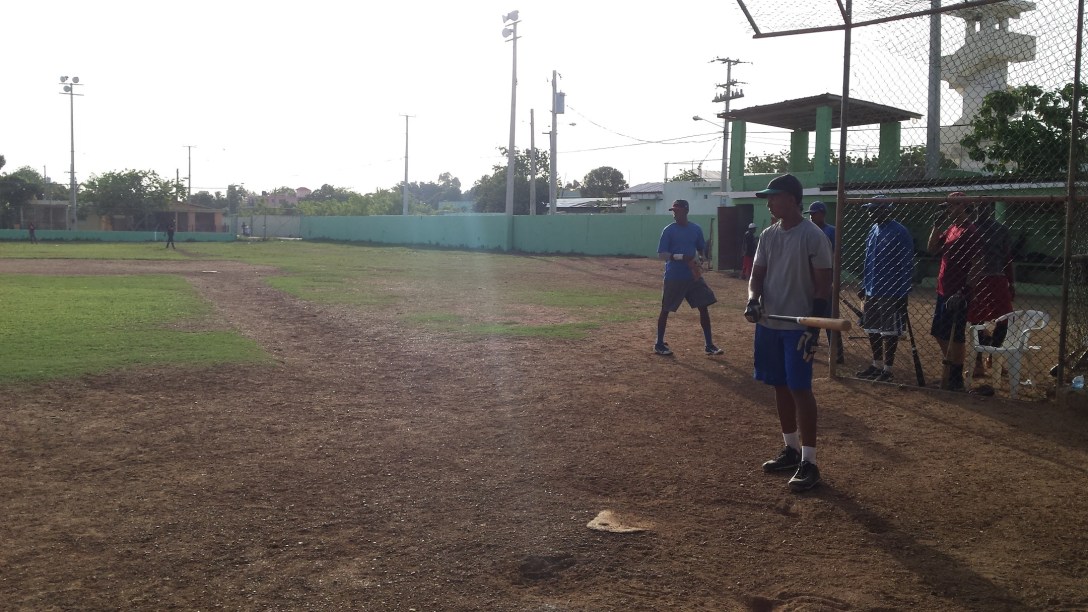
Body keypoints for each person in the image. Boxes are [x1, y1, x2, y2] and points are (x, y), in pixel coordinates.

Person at [744, 174, 833, 492]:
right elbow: (756, 277)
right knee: (779, 386)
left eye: (774, 196)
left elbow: (823, 285)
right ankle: (791, 449)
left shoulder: (812, 236)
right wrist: (753, 301)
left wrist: (815, 327)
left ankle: (810, 462)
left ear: (792, 199)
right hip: (769, 324)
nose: (768, 202)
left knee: (800, 389)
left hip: (798, 327)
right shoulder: (768, 235)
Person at [855, 196, 915, 382]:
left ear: (886, 210)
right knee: (872, 328)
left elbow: (907, 264)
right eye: (869, 210)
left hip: (891, 290)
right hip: (872, 288)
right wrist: (865, 285)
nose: (871, 213)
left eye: (875, 210)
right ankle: (876, 364)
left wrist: (903, 292)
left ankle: (888, 369)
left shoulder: (899, 231)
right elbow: (868, 260)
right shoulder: (873, 230)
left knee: (889, 331)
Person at [926, 192, 981, 391]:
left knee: (955, 336)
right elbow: (931, 248)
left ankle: (955, 378)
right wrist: (936, 224)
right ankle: (950, 370)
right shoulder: (951, 228)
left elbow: (977, 263)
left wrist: (965, 291)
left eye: (951, 206)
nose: (948, 209)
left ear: (963, 206)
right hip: (943, 289)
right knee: (939, 332)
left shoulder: (970, 230)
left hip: (958, 292)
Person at [655, 199, 724, 357]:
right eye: (673, 211)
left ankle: (709, 344)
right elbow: (662, 254)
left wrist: (701, 259)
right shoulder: (668, 230)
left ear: (686, 211)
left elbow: (700, 249)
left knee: (703, 306)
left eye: (677, 211)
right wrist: (682, 257)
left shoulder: (695, 229)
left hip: (693, 276)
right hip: (675, 276)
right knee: (666, 309)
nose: (674, 214)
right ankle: (659, 343)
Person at [968, 200, 1015, 377]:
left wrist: (1011, 281)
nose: (983, 210)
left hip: (996, 277)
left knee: (1004, 319)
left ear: (992, 209)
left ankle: (993, 356)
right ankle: (978, 362)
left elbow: (1007, 258)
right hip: (977, 279)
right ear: (974, 208)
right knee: (976, 320)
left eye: (986, 206)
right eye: (980, 206)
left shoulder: (1001, 230)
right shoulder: (970, 228)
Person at [804, 201, 844, 364]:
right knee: (811, 317)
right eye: (811, 214)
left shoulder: (831, 231)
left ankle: (838, 354)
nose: (812, 216)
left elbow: (836, 257)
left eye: (814, 213)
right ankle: (810, 347)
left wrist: (834, 280)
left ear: (822, 213)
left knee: (829, 318)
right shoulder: (809, 231)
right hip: (809, 282)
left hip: (826, 281)